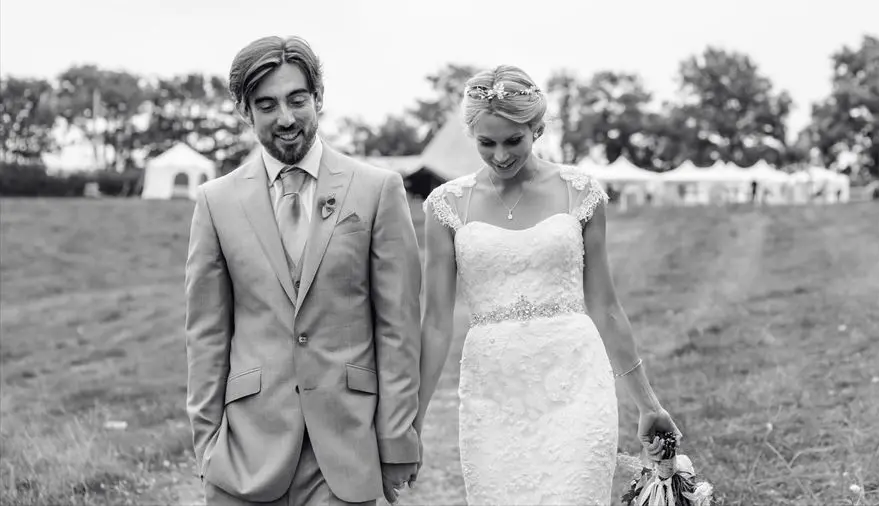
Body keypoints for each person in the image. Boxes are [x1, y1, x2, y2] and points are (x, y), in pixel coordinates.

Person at [414, 65, 682, 505]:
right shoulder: (445, 206)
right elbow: (436, 323)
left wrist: (648, 404)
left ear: (536, 128)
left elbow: (606, 306)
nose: (500, 155)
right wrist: (415, 423)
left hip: (575, 385)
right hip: (492, 395)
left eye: (512, 140)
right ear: (471, 134)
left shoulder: (580, 192)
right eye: (486, 143)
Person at [185, 36, 422, 506]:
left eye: (297, 99)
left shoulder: (377, 190)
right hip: (246, 451)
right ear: (243, 111)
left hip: (345, 445)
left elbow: (398, 327)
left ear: (318, 98)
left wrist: (396, 439)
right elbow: (206, 333)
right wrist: (207, 443)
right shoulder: (217, 202)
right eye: (267, 104)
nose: (286, 118)